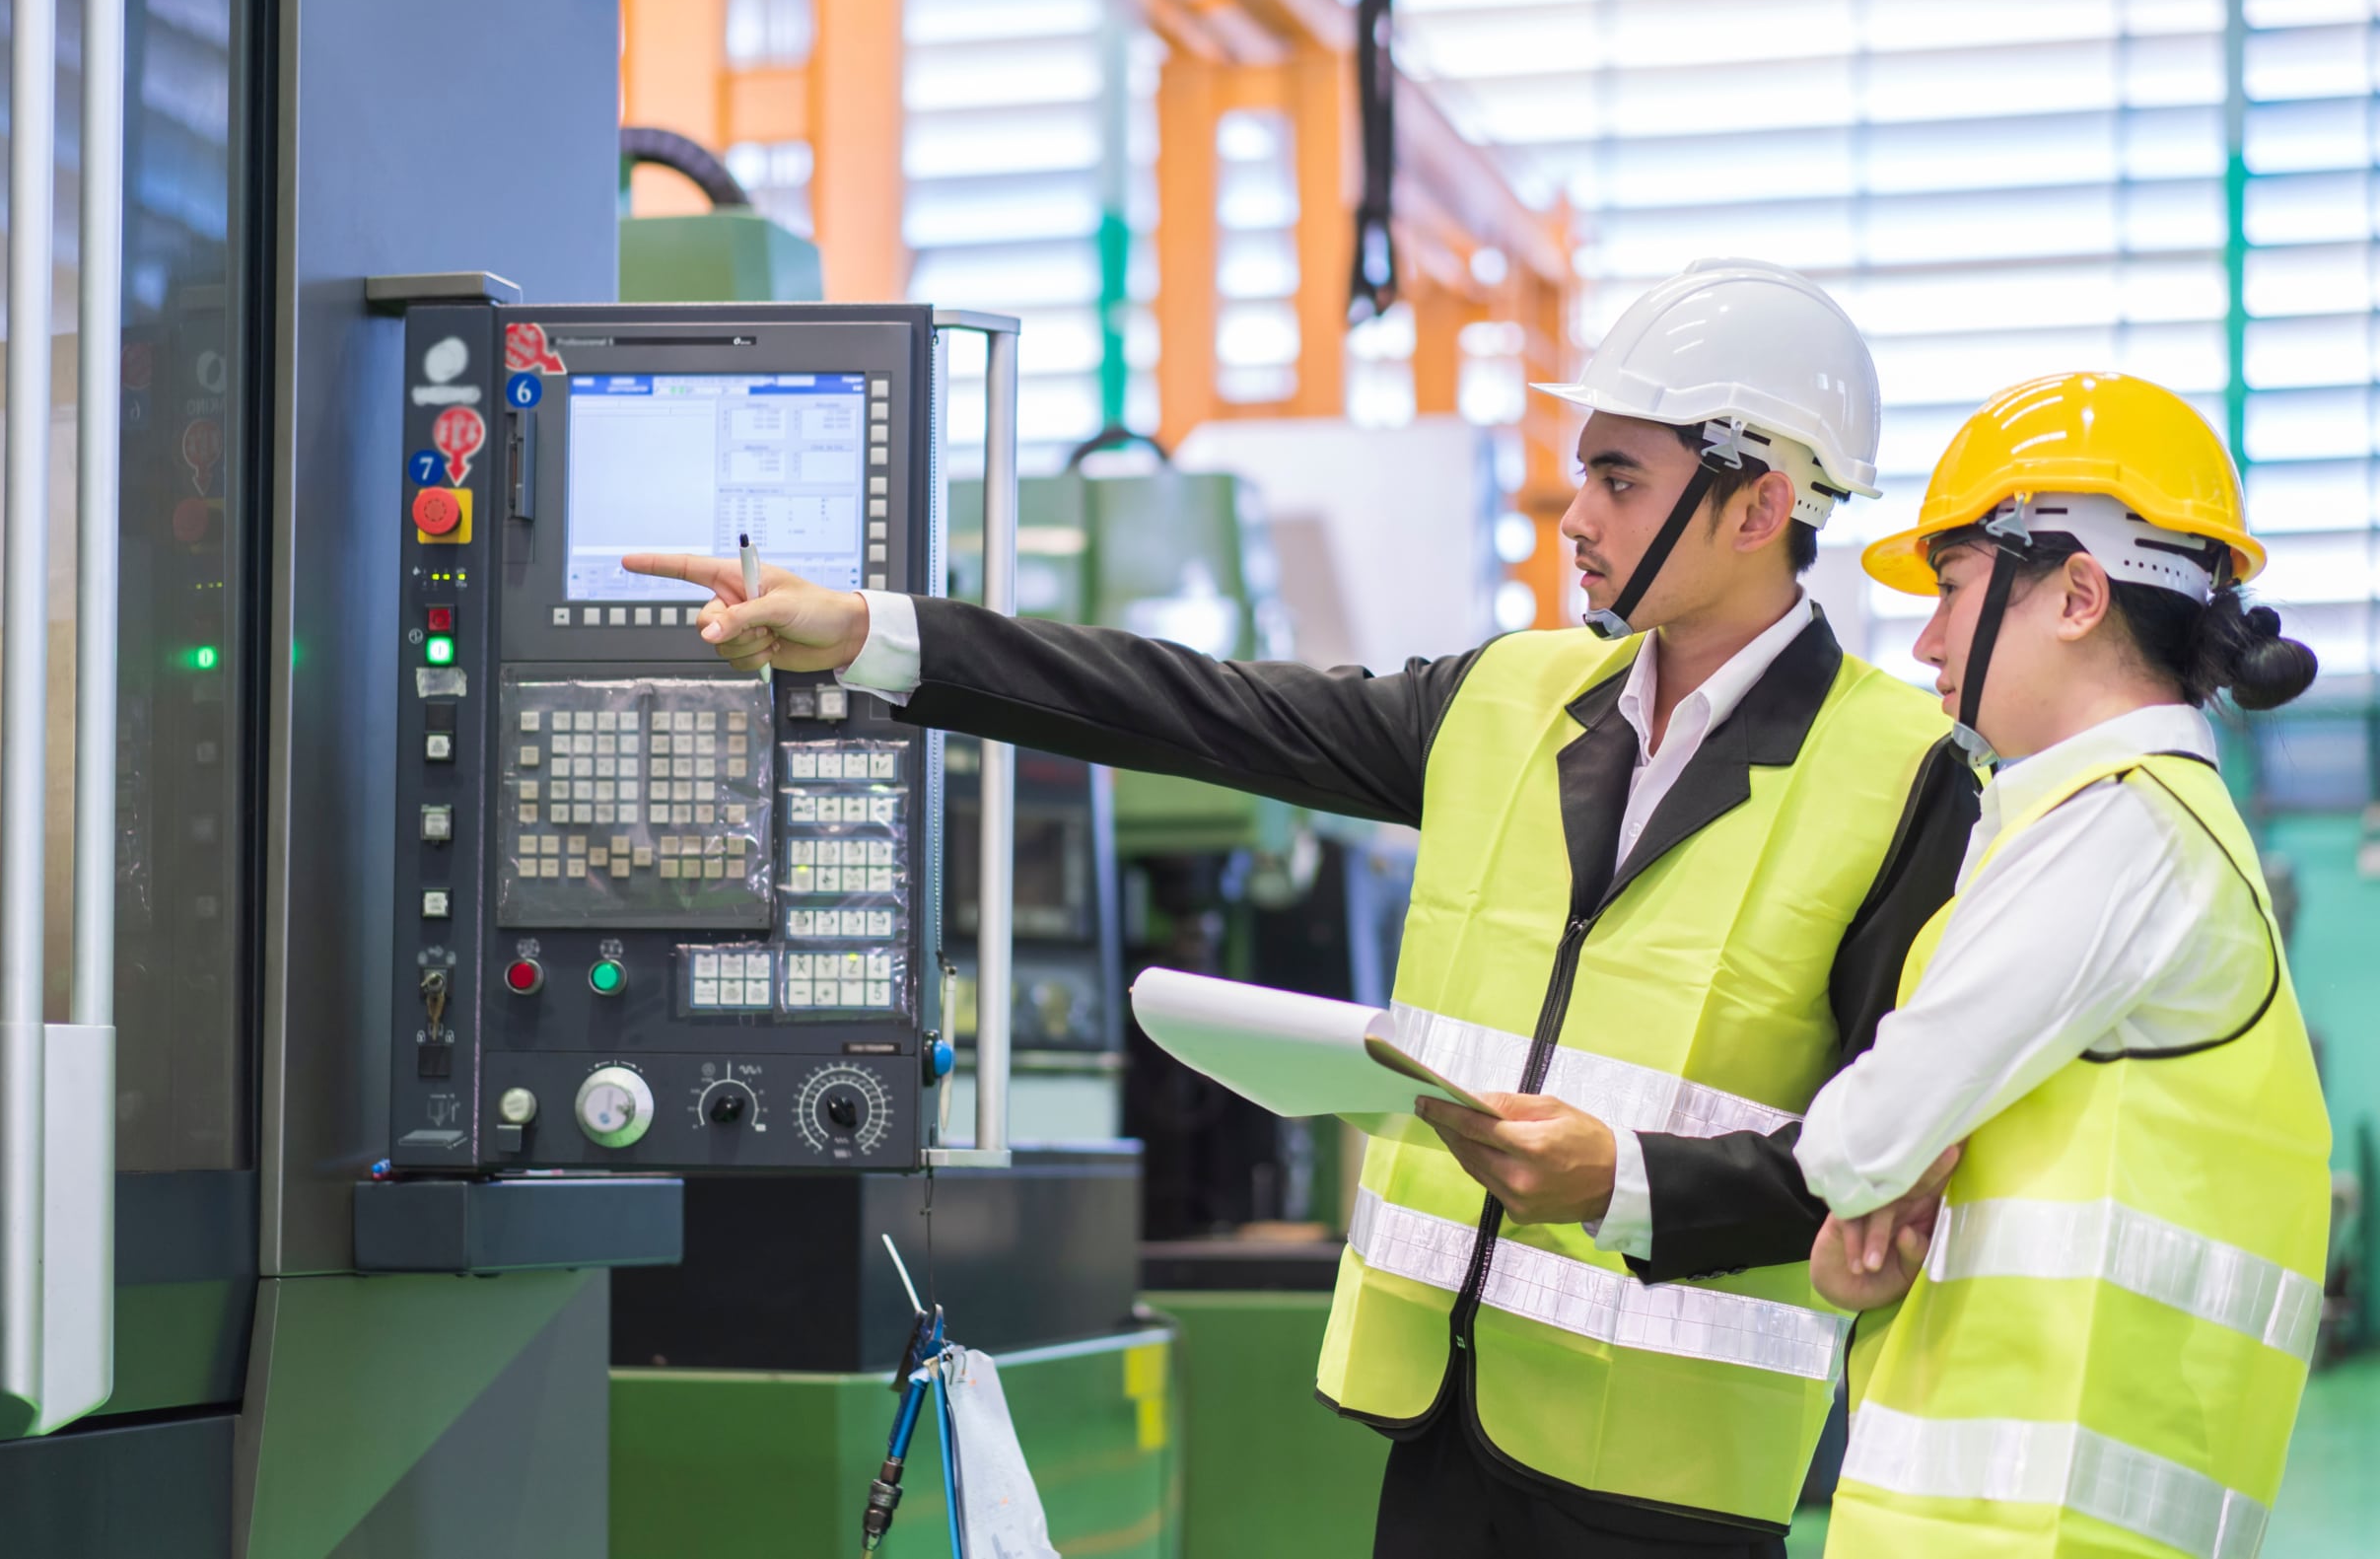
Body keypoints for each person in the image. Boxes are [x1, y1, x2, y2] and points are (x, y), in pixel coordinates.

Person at [631, 260, 1981, 1557]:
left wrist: (1619, 1181)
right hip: (1444, 1429)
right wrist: (873, 631)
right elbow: (1201, 708)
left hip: (1673, 1482)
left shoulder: (1901, 778)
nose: (1577, 516)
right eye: (1587, 471)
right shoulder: (1506, 697)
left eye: (1620, 481)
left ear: (1757, 507)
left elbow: (1888, 1155)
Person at [1792, 373, 2333, 1558]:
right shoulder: (2072, 823)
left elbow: (1857, 1139)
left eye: (1950, 591)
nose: (1928, 639)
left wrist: (1871, 1165)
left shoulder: (2126, 832)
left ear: (2079, 594)